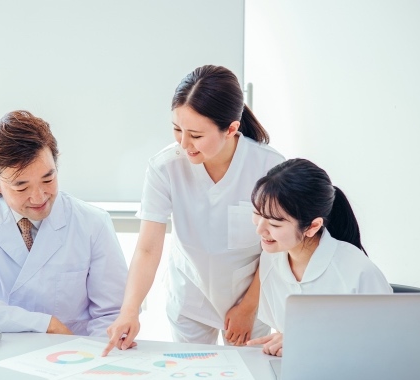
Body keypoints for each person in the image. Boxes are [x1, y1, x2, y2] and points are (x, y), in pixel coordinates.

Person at [103, 65, 285, 355]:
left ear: (231, 129)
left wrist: (249, 307)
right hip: (190, 297)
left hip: (250, 296)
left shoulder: (268, 167)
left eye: (196, 135)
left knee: (248, 375)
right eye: (177, 130)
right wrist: (129, 311)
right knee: (190, 375)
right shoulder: (165, 167)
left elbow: (276, 249)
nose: (184, 144)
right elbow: (148, 249)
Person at [0, 110, 127, 336]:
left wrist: (87, 353)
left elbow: (113, 315)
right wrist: (45, 324)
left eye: (48, 179)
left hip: (74, 349)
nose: (39, 197)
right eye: (21, 186)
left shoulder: (92, 223)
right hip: (3, 347)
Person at [246, 158, 393, 356]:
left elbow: (385, 345)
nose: (260, 229)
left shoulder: (358, 271)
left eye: (275, 224)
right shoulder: (271, 259)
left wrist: (304, 341)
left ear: (313, 226)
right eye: (257, 214)